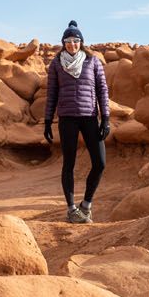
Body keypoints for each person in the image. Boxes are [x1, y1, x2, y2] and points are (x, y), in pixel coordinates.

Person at [44, 20, 110, 223]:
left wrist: (105, 118)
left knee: (100, 163)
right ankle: (72, 210)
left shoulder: (93, 61)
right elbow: (52, 94)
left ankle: (86, 205)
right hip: (67, 119)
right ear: (63, 43)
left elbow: (102, 90)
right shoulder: (56, 63)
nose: (72, 44)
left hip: (90, 117)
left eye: (75, 40)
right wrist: (47, 121)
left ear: (81, 42)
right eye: (68, 41)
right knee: (69, 164)